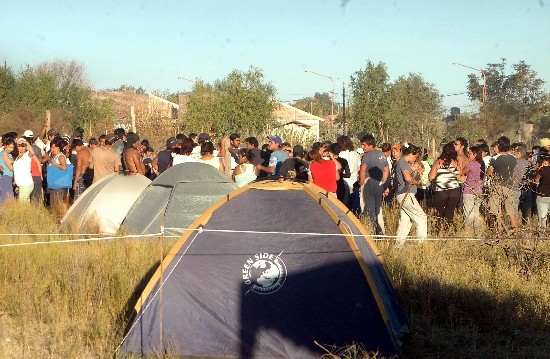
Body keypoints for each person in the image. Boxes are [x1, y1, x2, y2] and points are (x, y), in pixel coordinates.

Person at [394, 144, 427, 245]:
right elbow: (408, 178)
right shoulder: (403, 162)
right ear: (410, 154)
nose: (415, 159)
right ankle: (421, 245)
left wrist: (417, 172)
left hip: (403, 194)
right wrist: (418, 183)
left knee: (405, 221)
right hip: (406, 194)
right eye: (415, 156)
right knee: (421, 217)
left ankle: (398, 245)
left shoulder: (403, 163)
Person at [358, 134, 389, 235]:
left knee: (367, 208)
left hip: (368, 182)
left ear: (370, 145)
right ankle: (380, 233)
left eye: (364, 145)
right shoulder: (382, 155)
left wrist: (361, 182)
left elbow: (363, 169)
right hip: (379, 183)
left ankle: (370, 232)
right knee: (378, 209)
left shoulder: (367, 155)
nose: (363, 147)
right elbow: (386, 170)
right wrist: (383, 182)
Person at [486, 136, 518, 232]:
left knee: (496, 209)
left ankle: (498, 229)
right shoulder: (513, 158)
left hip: (497, 185)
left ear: (499, 145)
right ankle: (515, 228)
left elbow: (489, 173)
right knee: (510, 210)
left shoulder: (495, 157)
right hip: (509, 185)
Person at [428, 142, 462, 227]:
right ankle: (448, 230)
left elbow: (431, 177)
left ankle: (438, 230)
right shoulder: (456, 162)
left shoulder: (438, 162)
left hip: (441, 191)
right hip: (454, 190)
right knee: (450, 213)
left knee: (438, 213)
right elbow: (460, 175)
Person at [461, 145, 485, 232]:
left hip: (469, 191)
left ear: (475, 154)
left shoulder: (470, 165)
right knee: (476, 213)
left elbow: (461, 172)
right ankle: (478, 231)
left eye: (470, 153)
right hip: (479, 191)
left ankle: (469, 232)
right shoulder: (481, 165)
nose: (468, 155)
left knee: (468, 213)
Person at [48, 138, 71, 214]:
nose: (53, 149)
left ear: (59, 148)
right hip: (55, 185)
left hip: (59, 185)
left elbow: (64, 167)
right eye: (52, 147)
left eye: (55, 147)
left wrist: (55, 164)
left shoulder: (60, 156)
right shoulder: (54, 156)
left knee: (56, 204)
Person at [13, 138, 40, 202]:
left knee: (22, 204)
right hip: (20, 184)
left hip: (26, 183)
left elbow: (32, 153)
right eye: (19, 146)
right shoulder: (17, 158)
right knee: (25, 205)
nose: (21, 148)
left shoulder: (27, 155)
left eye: (23, 146)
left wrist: (26, 143)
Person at [337, 135, 361, 202]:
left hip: (344, 182)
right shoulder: (356, 154)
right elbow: (358, 168)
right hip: (354, 181)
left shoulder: (340, 154)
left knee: (344, 203)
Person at [534, 153, 550, 231]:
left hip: (542, 195)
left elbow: (536, 180)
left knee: (542, 216)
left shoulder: (542, 170)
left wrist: (538, 169)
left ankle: (542, 232)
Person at [0, 138, 16, 204]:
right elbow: (11, 167)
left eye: (12, 148)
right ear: (6, 145)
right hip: (4, 176)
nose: (11, 149)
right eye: (10, 147)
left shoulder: (9, 155)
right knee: (8, 196)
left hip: (9, 177)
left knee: (3, 197)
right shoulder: (3, 153)